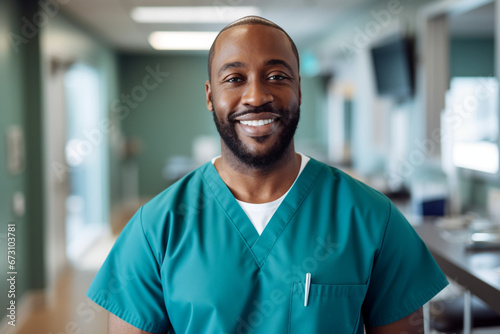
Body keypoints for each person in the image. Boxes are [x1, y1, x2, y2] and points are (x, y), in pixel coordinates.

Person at [87, 16, 448, 334]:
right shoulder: (156, 228)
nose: (257, 95)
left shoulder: (372, 219)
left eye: (277, 76)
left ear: (299, 91)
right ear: (210, 96)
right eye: (235, 78)